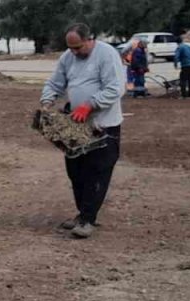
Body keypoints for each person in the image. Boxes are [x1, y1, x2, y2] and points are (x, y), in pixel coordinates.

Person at [41, 22, 126, 239]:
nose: (74, 52)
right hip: (76, 127)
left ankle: (88, 219)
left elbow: (115, 88)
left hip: (103, 126)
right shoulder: (68, 58)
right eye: (71, 48)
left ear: (90, 39)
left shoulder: (106, 55)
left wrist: (90, 104)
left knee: (97, 173)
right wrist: (47, 101)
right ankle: (82, 214)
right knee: (76, 172)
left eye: (78, 48)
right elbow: (55, 83)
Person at [173, 33, 190, 98]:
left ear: (176, 43)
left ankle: (183, 95)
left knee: (183, 80)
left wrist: (175, 65)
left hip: (186, 65)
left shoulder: (179, 47)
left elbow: (176, 57)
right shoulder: (188, 46)